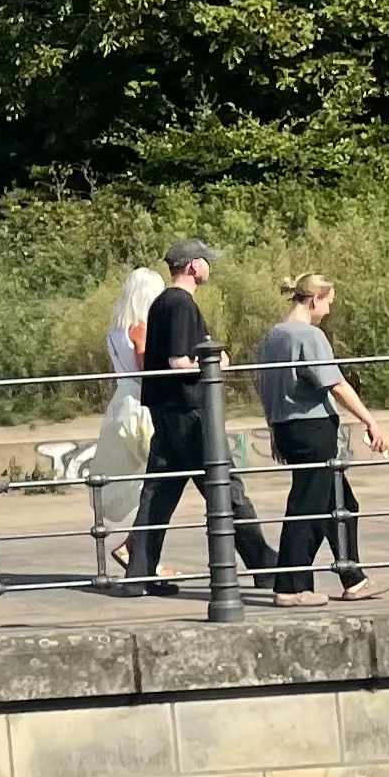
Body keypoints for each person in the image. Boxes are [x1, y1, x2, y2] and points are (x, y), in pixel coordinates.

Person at [120, 242, 271, 593]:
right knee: (225, 487)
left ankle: (139, 574)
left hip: (165, 409)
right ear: (192, 266)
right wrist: (214, 362)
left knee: (159, 493)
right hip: (189, 411)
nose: (209, 267)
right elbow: (178, 361)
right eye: (206, 262)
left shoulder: (161, 302)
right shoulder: (181, 304)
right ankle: (265, 566)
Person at [254, 275, 386, 602]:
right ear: (315, 299)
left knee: (341, 503)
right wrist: (370, 421)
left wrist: (274, 429)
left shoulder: (272, 337)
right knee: (308, 507)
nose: (328, 311)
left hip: (287, 427)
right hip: (312, 428)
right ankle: (291, 587)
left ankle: (353, 578)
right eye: (328, 303)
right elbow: (335, 384)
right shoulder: (309, 336)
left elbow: (267, 388)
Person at [90, 259, 165, 577]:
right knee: (158, 482)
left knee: (150, 482)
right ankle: (138, 550)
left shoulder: (115, 331)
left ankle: (138, 549)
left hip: (121, 401)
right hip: (141, 404)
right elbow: (149, 369)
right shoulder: (140, 329)